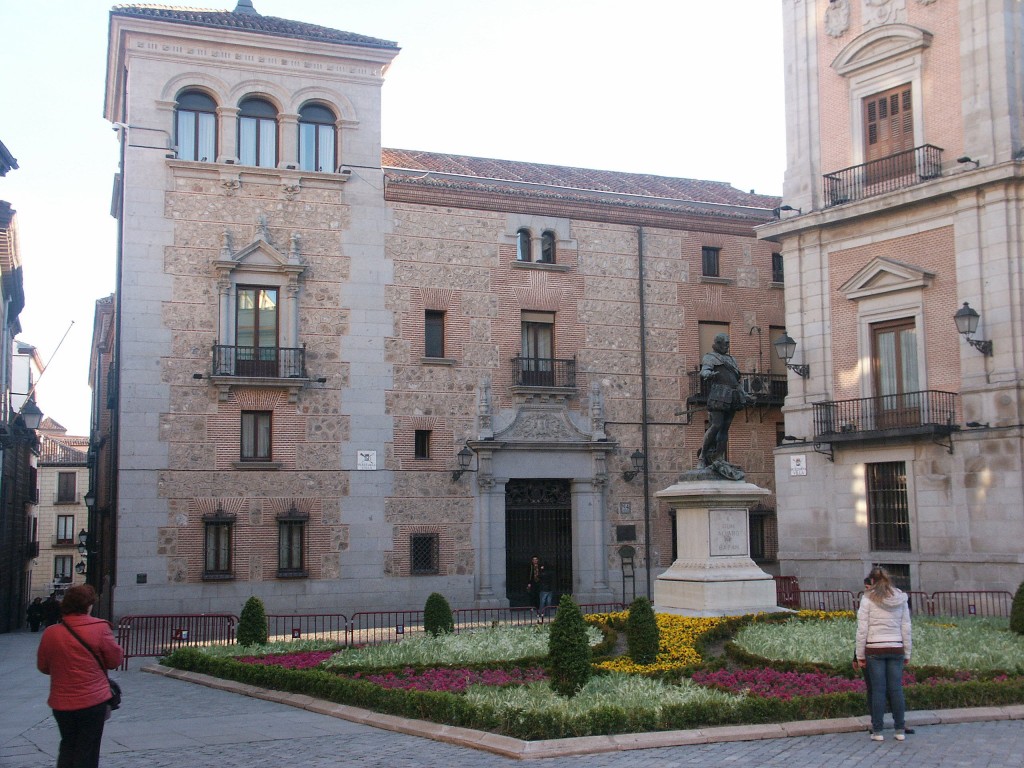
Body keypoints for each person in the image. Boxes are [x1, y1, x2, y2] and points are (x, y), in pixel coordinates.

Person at [37, 584, 124, 768]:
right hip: (93, 701)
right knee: (88, 749)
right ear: (88, 606)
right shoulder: (100, 629)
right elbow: (115, 660)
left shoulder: (51, 633)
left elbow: (43, 667)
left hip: (61, 703)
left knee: (68, 745)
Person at [855, 566, 912, 742]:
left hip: (875, 648)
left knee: (878, 690)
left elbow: (862, 629)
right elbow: (906, 627)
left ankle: (878, 731)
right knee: (896, 689)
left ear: (872, 581)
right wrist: (907, 651)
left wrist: (859, 655)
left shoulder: (867, 599)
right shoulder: (900, 598)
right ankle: (899, 729)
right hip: (896, 647)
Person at [698, 333, 754, 480]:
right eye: (725, 343)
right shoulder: (710, 357)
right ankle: (702, 457)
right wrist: (708, 374)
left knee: (725, 428)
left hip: (733, 395)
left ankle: (719, 457)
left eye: (729, 343)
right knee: (716, 425)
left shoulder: (732, 360)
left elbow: (736, 381)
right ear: (717, 343)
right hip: (718, 394)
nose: (727, 346)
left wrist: (745, 395)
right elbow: (704, 370)